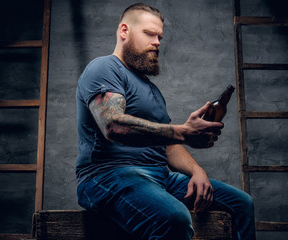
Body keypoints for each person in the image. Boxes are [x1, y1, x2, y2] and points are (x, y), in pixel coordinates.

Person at [76, 3, 256, 240]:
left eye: (160, 36)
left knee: (241, 204)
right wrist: (182, 131)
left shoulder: (151, 89)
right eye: (149, 34)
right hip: (107, 175)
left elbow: (167, 144)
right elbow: (113, 125)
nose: (158, 41)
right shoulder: (104, 68)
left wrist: (197, 171)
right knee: (175, 218)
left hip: (160, 176)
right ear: (124, 31)